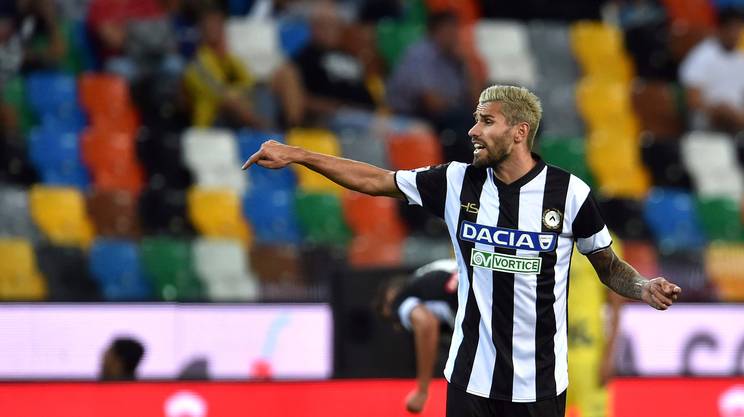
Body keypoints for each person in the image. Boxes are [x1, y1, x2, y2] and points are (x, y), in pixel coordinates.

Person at [242, 84, 682, 417]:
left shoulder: (570, 194)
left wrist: (642, 287)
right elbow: (375, 180)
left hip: (541, 384)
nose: (473, 130)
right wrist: (300, 155)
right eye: (475, 120)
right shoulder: (454, 181)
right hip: (471, 379)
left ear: (519, 132)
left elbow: (608, 267)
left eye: (487, 121)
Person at [386, 10, 482, 163]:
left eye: (455, 31)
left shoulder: (454, 58)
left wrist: (466, 64)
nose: (453, 36)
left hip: (446, 114)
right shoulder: (420, 55)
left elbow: (476, 100)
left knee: (480, 121)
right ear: (434, 32)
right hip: (411, 113)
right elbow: (431, 103)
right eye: (448, 31)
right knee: (465, 124)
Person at [183, 8, 304, 129]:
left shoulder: (229, 58)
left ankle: (294, 128)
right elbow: (218, 92)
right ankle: (268, 131)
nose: (214, 30)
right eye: (209, 26)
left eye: (217, 25)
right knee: (232, 101)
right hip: (214, 118)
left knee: (286, 75)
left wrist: (255, 87)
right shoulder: (197, 63)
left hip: (242, 105)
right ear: (202, 31)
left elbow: (249, 81)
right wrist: (242, 91)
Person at [376, 259, 458, 413]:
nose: (398, 327)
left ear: (389, 296)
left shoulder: (403, 295)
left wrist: (422, 390)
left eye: (393, 319)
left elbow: (425, 323)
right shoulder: (431, 273)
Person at [565, 238, 625, 417]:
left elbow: (616, 304)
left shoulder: (604, 240)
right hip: (554, 354)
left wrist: (609, 355)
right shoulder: (551, 235)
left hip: (590, 356)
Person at [679, 7, 744, 134]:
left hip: (737, 124)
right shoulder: (702, 56)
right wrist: (718, 110)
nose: (735, 34)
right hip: (707, 127)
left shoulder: (741, 59)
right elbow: (692, 100)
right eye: (731, 28)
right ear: (720, 29)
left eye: (738, 29)